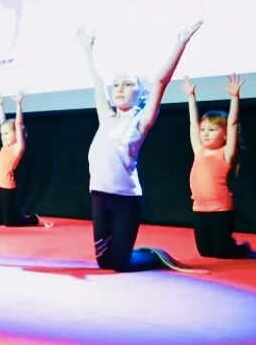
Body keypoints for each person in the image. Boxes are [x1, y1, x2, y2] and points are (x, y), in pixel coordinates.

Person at [76, 21, 202, 272]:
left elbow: (160, 82)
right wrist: (88, 50)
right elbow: (98, 82)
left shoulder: (141, 121)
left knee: (120, 264)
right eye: (117, 85)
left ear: (140, 92)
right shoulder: (106, 116)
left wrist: (181, 43)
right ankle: (134, 252)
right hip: (99, 195)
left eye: (128, 84)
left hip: (126, 199)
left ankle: (155, 256)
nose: (119, 89)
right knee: (104, 262)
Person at [181, 74, 253, 258]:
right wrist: (191, 97)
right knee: (205, 252)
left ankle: (240, 248)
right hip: (199, 208)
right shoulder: (199, 150)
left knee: (221, 253)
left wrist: (235, 98)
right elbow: (193, 123)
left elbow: (233, 123)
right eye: (203, 130)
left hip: (221, 209)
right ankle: (228, 243)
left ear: (225, 135)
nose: (205, 134)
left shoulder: (226, 153)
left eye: (212, 130)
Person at [0, 91, 51, 227]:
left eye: (7, 134)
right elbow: (2, 123)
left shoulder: (17, 147)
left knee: (10, 223)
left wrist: (18, 104)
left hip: (7, 188)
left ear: (16, 134)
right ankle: (17, 215)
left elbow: (18, 124)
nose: (3, 137)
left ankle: (33, 219)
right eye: (2, 134)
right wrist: (0, 106)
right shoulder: (5, 146)